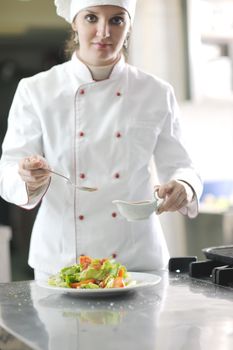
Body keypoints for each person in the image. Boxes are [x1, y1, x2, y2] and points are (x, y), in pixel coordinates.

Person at [0, 0, 202, 280]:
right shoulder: (36, 90)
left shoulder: (156, 92)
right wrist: (27, 177)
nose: (104, 32)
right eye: (91, 18)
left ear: (129, 26)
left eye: (117, 20)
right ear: (74, 23)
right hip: (62, 262)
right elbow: (8, 170)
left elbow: (182, 166)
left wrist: (185, 186)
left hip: (137, 264)